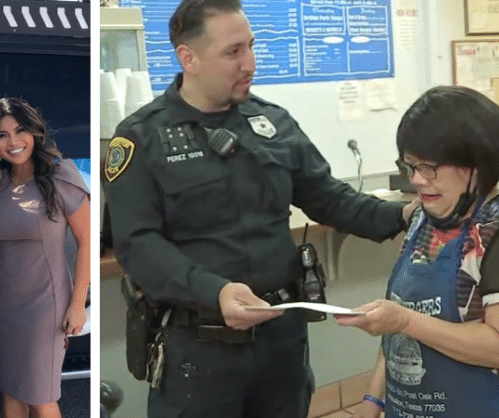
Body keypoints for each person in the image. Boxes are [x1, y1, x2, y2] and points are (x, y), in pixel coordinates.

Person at [103, 1, 417, 416]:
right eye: (233, 52)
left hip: (280, 342)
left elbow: (327, 197)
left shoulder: (272, 123)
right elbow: (138, 245)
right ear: (188, 58)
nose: (249, 63)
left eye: (251, 47)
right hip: (200, 351)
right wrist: (215, 293)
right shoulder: (142, 137)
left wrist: (402, 216)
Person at [335, 85, 499, 418]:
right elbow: (397, 320)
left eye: (430, 167)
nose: (418, 180)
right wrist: (374, 399)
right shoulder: (423, 220)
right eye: (410, 167)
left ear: (476, 164)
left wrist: (407, 321)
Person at [0, 97, 90, 418]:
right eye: (2, 135)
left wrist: (78, 304)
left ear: (35, 133)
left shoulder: (61, 177)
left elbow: (87, 243)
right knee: (10, 388)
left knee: (41, 394)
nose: (13, 142)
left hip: (45, 306)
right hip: (3, 303)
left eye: (20, 130)